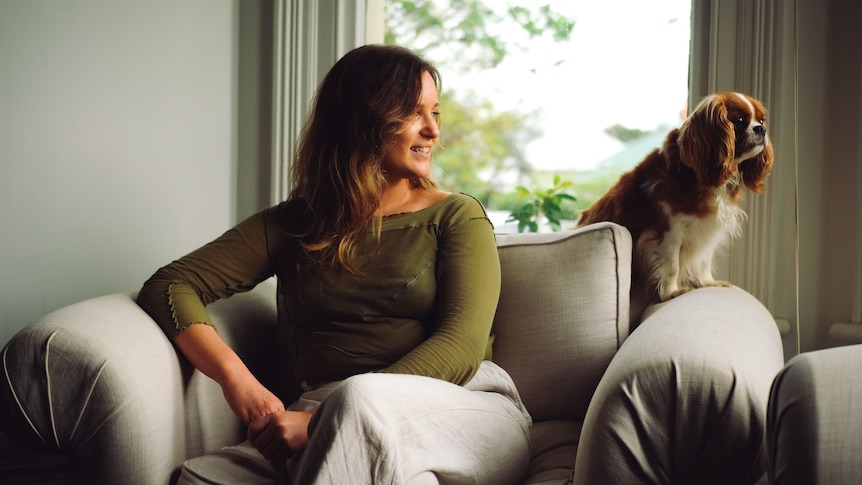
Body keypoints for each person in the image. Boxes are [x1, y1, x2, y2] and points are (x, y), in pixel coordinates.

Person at [137, 44, 532, 484]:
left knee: (358, 402)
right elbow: (171, 284)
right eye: (413, 113)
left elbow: (461, 345)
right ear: (362, 120)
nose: (432, 131)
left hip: (459, 406)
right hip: (326, 413)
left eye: (434, 113)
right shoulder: (294, 224)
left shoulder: (457, 216)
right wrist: (239, 382)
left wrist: (322, 420)